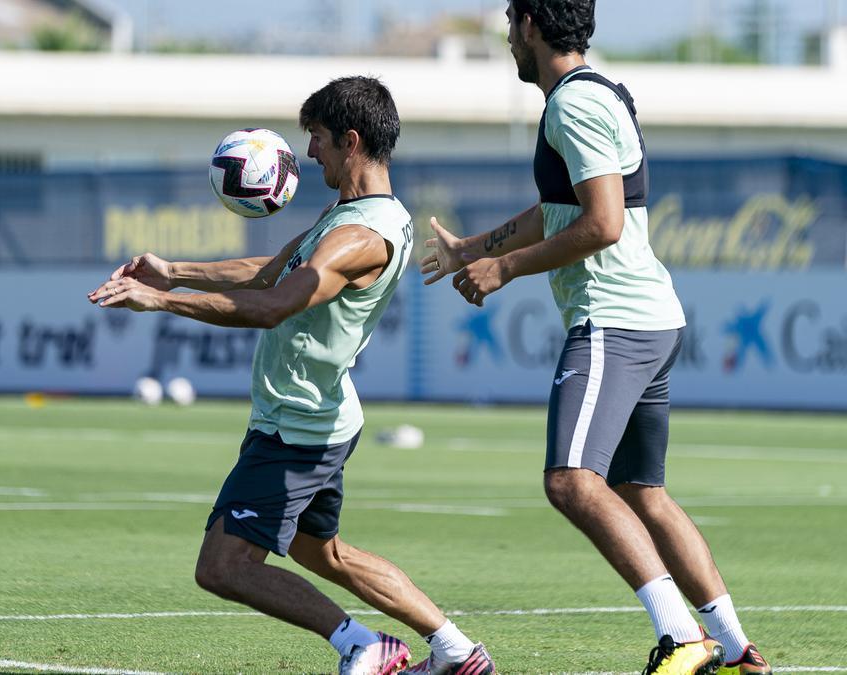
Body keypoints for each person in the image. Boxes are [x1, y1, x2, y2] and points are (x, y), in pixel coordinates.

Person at [90, 76, 496, 675]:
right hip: (321, 413)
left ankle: (362, 643)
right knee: (323, 552)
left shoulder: (361, 235)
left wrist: (159, 304)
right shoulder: (352, 214)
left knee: (223, 566)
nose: (310, 154)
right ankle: (458, 651)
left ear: (351, 141)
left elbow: (276, 304)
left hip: (297, 426)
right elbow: (269, 271)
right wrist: (173, 272)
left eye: (319, 139)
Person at [421, 3, 771, 674]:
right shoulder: (594, 93)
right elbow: (565, 208)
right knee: (643, 492)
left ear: (528, 24)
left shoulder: (570, 107)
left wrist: (505, 268)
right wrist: (473, 247)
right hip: (648, 318)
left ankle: (680, 636)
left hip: (616, 320)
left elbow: (604, 223)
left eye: (508, 23)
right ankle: (735, 647)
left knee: (571, 481)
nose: (506, 38)